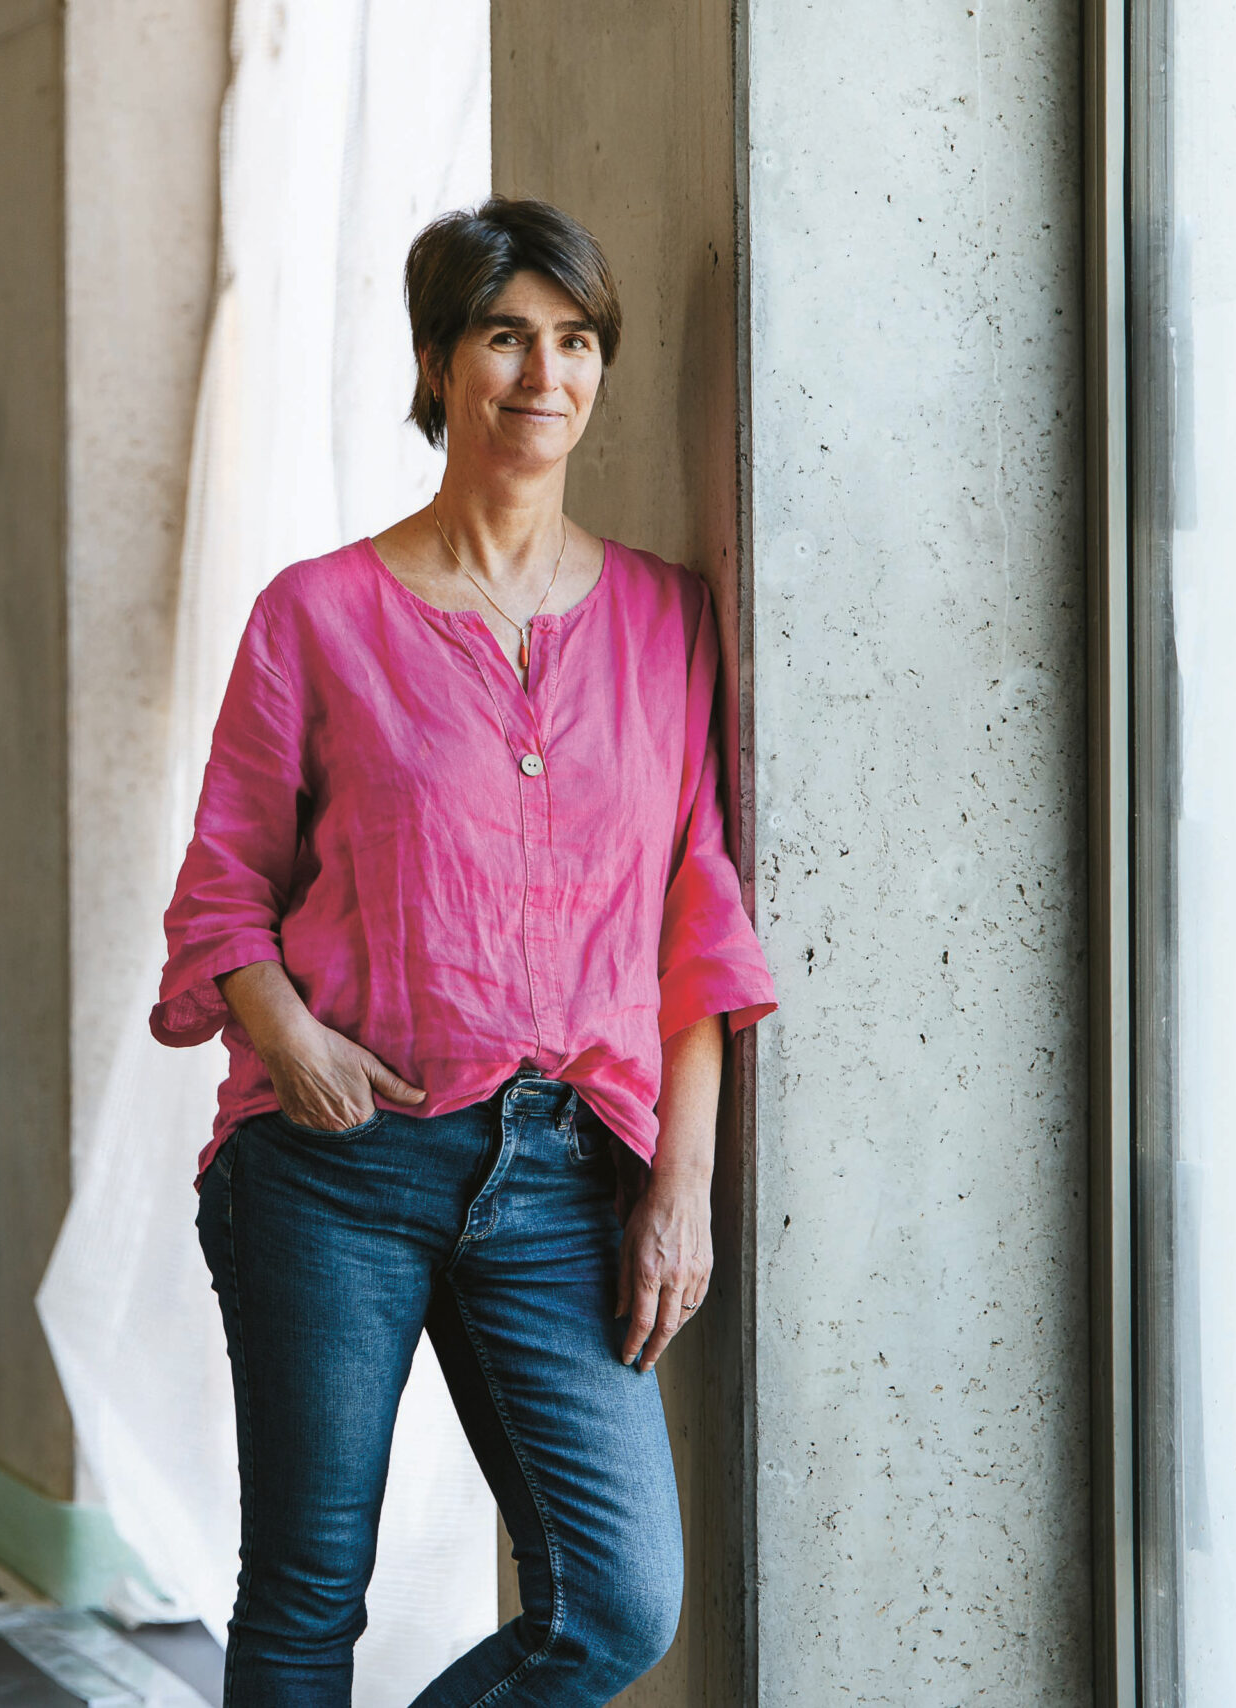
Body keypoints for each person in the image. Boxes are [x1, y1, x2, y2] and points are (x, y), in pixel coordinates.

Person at [149, 197, 778, 1707]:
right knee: (308, 1596)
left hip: (566, 1177)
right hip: (334, 1169)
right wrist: (288, 1043)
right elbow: (223, 894)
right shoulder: (316, 617)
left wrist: (677, 1194)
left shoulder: (667, 621)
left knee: (619, 1604)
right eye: (505, 336)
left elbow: (698, 929)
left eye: (574, 342)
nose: (542, 375)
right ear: (439, 364)